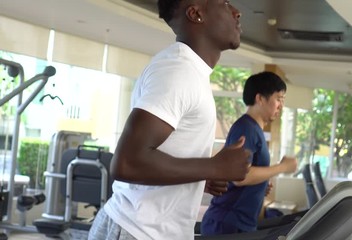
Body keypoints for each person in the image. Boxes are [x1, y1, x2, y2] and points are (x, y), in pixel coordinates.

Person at [88, 1, 250, 239]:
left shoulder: (190, 72)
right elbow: (127, 163)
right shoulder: (178, 70)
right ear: (196, 14)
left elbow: (157, 154)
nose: (237, 11)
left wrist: (199, 177)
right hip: (136, 230)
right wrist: (214, 166)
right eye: (224, 3)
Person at [200, 71, 298, 235]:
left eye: (283, 100)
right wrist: (281, 167)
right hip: (228, 223)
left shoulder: (254, 129)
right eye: (278, 99)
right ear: (260, 99)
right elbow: (240, 176)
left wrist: (260, 185)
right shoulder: (247, 128)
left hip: (240, 223)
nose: (281, 106)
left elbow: (247, 174)